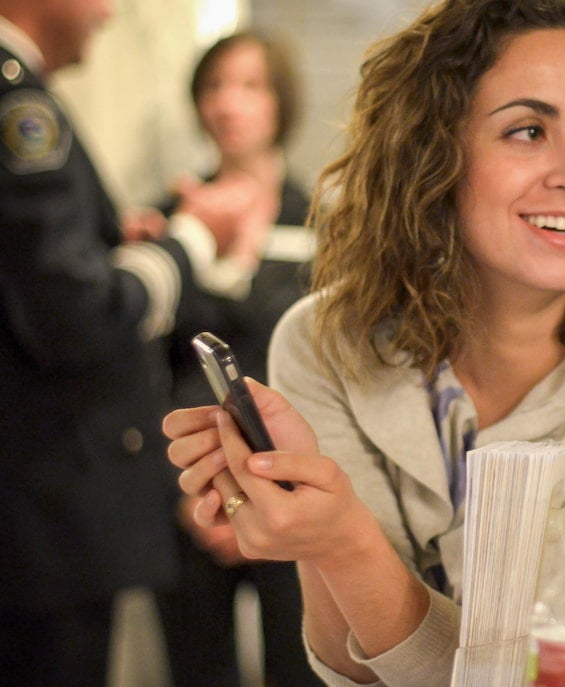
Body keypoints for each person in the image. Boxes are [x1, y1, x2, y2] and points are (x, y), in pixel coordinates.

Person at [162, 0, 565, 684]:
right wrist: (311, 520)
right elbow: (350, 669)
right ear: (434, 152)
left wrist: (345, 540)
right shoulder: (327, 343)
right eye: (529, 130)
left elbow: (509, 672)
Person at [0, 0, 263, 684]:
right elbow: (73, 311)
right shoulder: (16, 102)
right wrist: (192, 241)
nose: (110, 12)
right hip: (39, 509)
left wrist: (117, 251)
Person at [142, 31, 321, 687]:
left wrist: (262, 496)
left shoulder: (322, 223)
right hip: (188, 498)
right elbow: (145, 376)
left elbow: (325, 376)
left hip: (293, 497)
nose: (228, 104)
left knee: (301, 670)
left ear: (281, 104)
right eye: (214, 86)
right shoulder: (169, 226)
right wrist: (194, 494)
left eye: (249, 86)